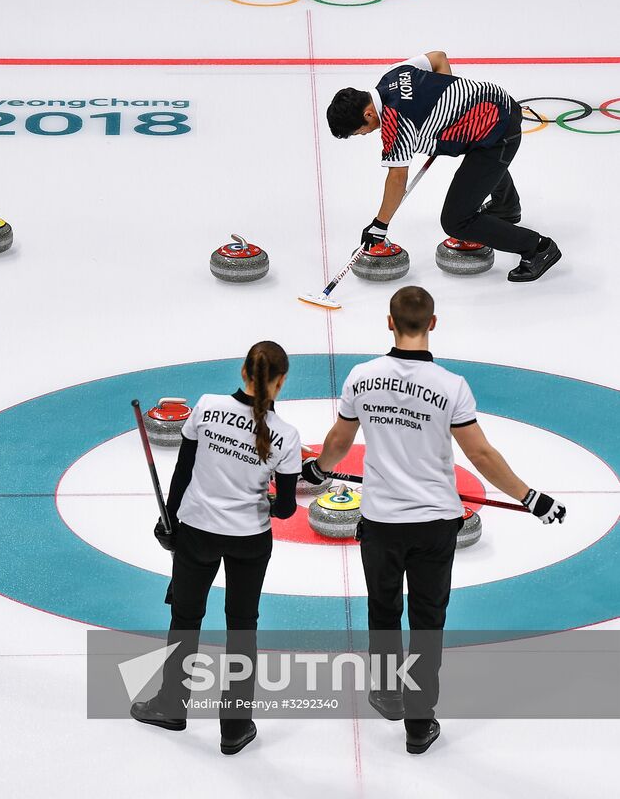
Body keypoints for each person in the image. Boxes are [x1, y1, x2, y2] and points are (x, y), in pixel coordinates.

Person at [302, 286, 566, 754]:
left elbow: (340, 441)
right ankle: (419, 725)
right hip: (433, 525)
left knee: (383, 610)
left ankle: (385, 692)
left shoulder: (362, 378)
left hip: (381, 524)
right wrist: (531, 497)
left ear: (389, 322)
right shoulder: (451, 387)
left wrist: (320, 469)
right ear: (433, 323)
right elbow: (480, 454)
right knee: (427, 621)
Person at [131, 340, 301, 755]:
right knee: (243, 626)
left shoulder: (206, 408)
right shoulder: (287, 437)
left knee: (185, 618)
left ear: (243, 372)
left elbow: (183, 471)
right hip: (249, 540)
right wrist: (277, 491)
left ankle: (172, 705)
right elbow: (285, 510)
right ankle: (235, 727)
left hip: (197, 534)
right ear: (281, 382)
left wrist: (168, 520)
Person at [326, 50, 561, 283]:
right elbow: (438, 58)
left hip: (498, 133)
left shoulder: (396, 124)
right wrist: (450, 105)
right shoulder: (394, 74)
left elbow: (397, 178)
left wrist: (380, 224)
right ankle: (506, 207)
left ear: (368, 114)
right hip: (497, 103)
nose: (365, 134)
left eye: (359, 131)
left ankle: (538, 248)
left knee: (456, 220)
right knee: (477, 166)